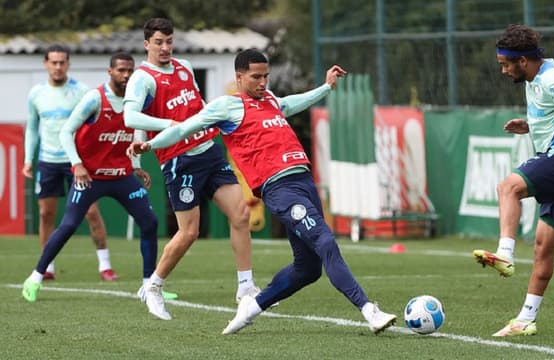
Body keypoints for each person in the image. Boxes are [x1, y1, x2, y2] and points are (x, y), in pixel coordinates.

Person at [127, 49, 397, 335]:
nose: (263, 82)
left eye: (266, 76)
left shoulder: (269, 100)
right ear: (239, 77)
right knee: (325, 240)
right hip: (278, 188)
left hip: (304, 181)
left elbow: (291, 103)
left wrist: (326, 87)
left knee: (308, 269)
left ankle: (252, 304)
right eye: (256, 77)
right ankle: (369, 310)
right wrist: (150, 146)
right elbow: (183, 129)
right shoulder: (227, 106)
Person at [123, 18, 258, 321]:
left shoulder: (184, 66)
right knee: (189, 232)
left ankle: (246, 287)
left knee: (241, 214)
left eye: (169, 41)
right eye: (158, 42)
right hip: (179, 159)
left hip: (209, 150)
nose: (165, 48)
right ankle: (153, 287)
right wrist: (168, 126)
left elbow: (198, 106)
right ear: (147, 44)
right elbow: (130, 117)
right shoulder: (142, 78)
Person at [472, 24, 554, 336]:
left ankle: (505, 253)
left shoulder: (549, 76)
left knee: (508, 187)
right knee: (543, 247)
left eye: (505, 64)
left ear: (523, 61)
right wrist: (529, 125)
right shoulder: (538, 75)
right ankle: (526, 318)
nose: (503, 70)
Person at [21, 53, 160, 304]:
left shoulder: (134, 101)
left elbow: (135, 132)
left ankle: (148, 285)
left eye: (130, 70)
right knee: (69, 225)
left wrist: (136, 166)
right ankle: (36, 276)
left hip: (121, 176)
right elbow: (66, 132)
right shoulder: (95, 98)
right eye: (121, 70)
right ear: (110, 72)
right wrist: (77, 164)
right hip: (91, 177)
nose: (126, 75)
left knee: (149, 221)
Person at [23, 44, 118, 281]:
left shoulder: (82, 91)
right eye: (53, 62)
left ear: (68, 64)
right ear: (46, 64)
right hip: (47, 162)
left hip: (77, 162)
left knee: (91, 211)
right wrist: (27, 159)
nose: (58, 66)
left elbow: (92, 126)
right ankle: (48, 266)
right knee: (46, 214)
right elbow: (33, 128)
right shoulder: (36, 93)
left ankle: (105, 265)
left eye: (62, 62)